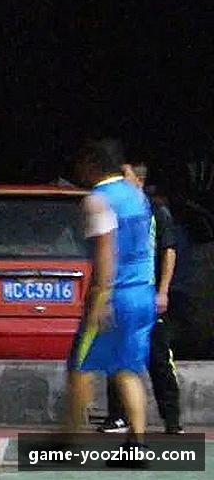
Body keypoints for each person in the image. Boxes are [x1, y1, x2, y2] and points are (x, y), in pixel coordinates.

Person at [63, 139, 155, 459]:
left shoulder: (97, 200)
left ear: (92, 162)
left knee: (80, 366)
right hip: (143, 292)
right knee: (126, 368)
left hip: (114, 295)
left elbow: (105, 251)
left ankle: (69, 441)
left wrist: (100, 298)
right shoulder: (137, 195)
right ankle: (136, 443)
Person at [99, 162, 183, 434]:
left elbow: (169, 251)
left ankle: (172, 420)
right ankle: (118, 416)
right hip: (122, 296)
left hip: (148, 296)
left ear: (138, 180)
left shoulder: (156, 212)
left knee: (159, 359)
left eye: (124, 178)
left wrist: (162, 291)